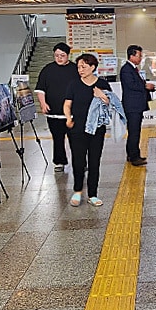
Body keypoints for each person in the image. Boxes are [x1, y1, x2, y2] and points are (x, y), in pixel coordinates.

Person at [64, 53, 111, 207]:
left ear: (92, 67)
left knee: (94, 161)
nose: (80, 70)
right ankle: (77, 191)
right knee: (78, 161)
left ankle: (93, 194)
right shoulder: (73, 84)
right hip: (77, 129)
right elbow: (67, 104)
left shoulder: (103, 84)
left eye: (83, 66)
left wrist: (101, 95)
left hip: (97, 129)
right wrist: (68, 118)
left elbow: (111, 104)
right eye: (78, 67)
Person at [35, 42, 76, 173]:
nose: (59, 58)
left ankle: (79, 161)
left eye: (62, 55)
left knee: (76, 139)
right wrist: (43, 103)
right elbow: (40, 89)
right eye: (56, 55)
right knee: (57, 139)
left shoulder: (75, 69)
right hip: (54, 113)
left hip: (73, 113)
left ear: (68, 56)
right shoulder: (47, 70)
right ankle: (59, 161)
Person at [120, 44, 155, 166]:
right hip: (132, 106)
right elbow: (131, 85)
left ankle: (132, 154)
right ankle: (134, 157)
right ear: (131, 56)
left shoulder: (133, 69)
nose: (141, 58)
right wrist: (145, 86)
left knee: (135, 131)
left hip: (136, 106)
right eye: (139, 55)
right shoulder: (126, 69)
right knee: (134, 132)